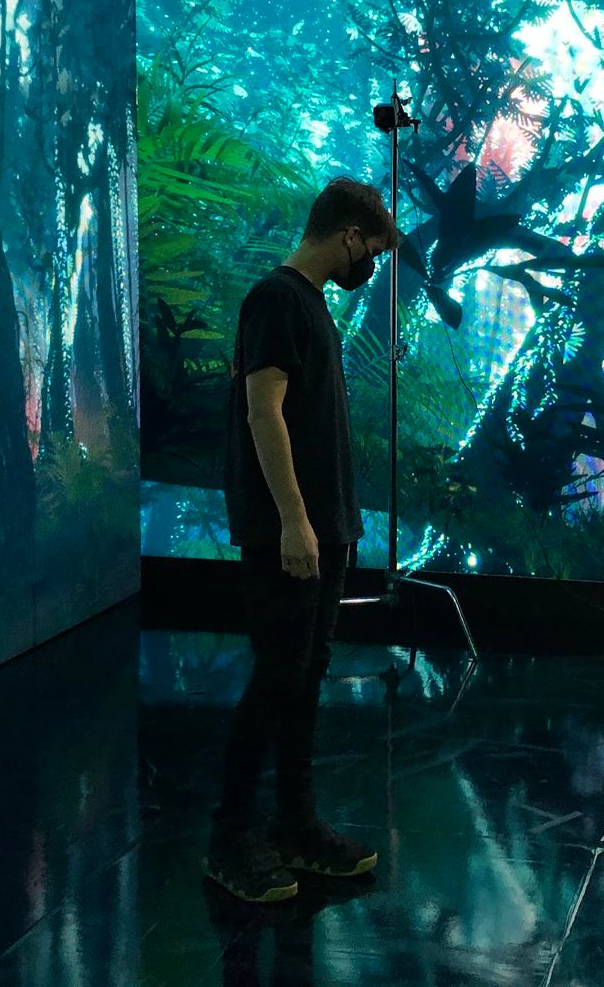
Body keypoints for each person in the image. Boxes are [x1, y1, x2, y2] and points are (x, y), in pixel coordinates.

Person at [206, 178, 401, 904]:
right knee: (277, 676)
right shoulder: (276, 299)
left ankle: (295, 825)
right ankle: (230, 839)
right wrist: (292, 518)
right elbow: (262, 410)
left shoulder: (311, 304)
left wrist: (325, 523)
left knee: (304, 674)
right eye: (371, 249)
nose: (370, 265)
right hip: (289, 532)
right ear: (348, 235)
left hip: (325, 530)